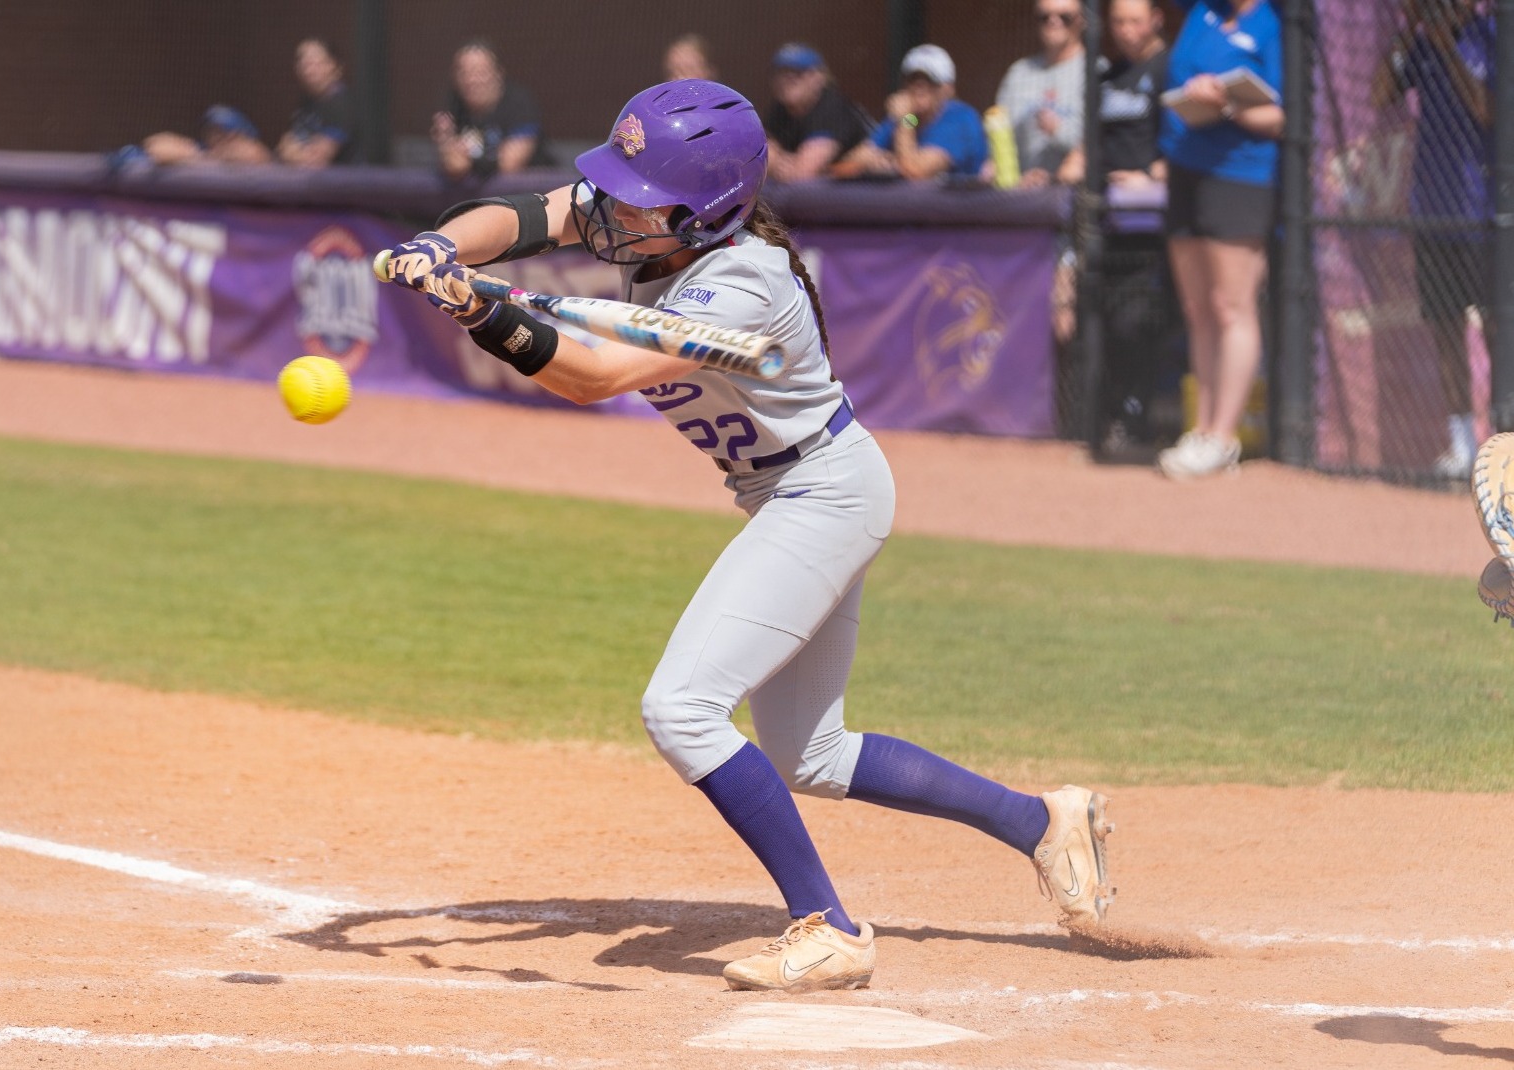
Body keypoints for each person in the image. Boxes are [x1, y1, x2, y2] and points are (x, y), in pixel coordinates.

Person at [376, 79, 1115, 993]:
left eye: (637, 201)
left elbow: (595, 377)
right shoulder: (651, 219)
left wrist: (479, 311)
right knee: (809, 754)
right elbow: (528, 213)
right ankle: (1041, 822)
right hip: (787, 491)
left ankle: (828, 929)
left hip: (822, 493)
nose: (609, 212)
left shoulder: (740, 287)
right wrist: (440, 246)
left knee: (681, 709)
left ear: (702, 214)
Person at [1154, 0, 1284, 479]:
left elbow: (1282, 117)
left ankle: (1223, 437)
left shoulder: (1271, 25)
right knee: (1197, 308)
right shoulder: (1201, 14)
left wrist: (1225, 104)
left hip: (1241, 176)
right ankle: (1202, 430)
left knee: (1232, 306)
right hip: (1186, 167)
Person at [1372, 0, 1494, 480]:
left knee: (1497, 329)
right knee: (1445, 330)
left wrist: (1449, 47)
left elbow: (1486, 109)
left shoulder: (1493, 34)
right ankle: (1462, 445)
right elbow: (1379, 95)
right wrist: (1409, 33)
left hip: (1484, 212)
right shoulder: (1420, 41)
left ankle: (1502, 443)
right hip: (1432, 210)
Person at [1060, 0, 1175, 457]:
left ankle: (1140, 419)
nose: (1126, 30)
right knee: (1101, 325)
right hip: (1107, 226)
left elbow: (1183, 142)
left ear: (1155, 21)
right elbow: (1093, 144)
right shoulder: (1105, 77)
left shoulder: (1168, 70)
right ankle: (1108, 421)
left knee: (1138, 325)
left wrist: (1152, 178)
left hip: (1155, 230)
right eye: (1118, 21)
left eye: (1135, 20)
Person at [830, 45, 987, 181]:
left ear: (947, 89)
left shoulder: (960, 119)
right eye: (913, 79)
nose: (919, 86)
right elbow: (845, 166)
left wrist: (905, 121)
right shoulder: (907, 118)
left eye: (930, 80)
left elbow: (914, 171)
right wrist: (872, 163)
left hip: (965, 212)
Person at [994, 0, 1087, 186]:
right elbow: (1000, 137)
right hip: (1023, 196)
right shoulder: (1019, 73)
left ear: (1082, 21)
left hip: (1075, 198)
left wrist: (1057, 130)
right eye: (1045, 17)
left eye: (1064, 17)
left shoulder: (1097, 72)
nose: (1053, 22)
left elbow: (1103, 145)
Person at [431, 41, 549, 181]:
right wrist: (447, 147)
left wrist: (467, 159)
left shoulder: (519, 103)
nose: (472, 80)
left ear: (498, 73)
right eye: (464, 73)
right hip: (475, 198)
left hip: (530, 192)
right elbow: (455, 166)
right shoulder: (453, 105)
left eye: (480, 72)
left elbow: (510, 164)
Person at [763, 43, 873, 182]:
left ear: (819, 78)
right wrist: (777, 162)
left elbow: (802, 172)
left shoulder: (833, 107)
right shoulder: (779, 109)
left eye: (798, 73)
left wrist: (778, 159)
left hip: (877, 191)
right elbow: (758, 157)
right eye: (781, 72)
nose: (788, 79)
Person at [279, 38, 360, 168]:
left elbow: (315, 160)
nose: (308, 69)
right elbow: (284, 146)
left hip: (343, 185)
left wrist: (294, 153)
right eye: (303, 62)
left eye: (315, 62)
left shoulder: (342, 104)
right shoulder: (306, 102)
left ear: (333, 65)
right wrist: (293, 152)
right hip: (307, 183)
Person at [143, 105, 270, 166]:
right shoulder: (200, 150)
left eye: (224, 131)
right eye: (212, 131)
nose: (216, 137)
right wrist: (198, 155)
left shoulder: (256, 153)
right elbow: (154, 146)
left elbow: (257, 155)